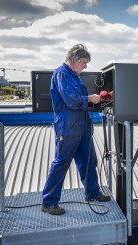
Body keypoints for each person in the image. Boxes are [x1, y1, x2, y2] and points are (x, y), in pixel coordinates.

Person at [41, 44, 111, 215]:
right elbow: (71, 100)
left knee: (88, 159)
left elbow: (79, 100)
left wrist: (97, 99)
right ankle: (49, 202)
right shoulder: (62, 74)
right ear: (75, 60)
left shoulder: (74, 76)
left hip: (82, 125)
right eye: (84, 62)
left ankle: (93, 192)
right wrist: (90, 98)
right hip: (68, 126)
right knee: (62, 162)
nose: (86, 66)